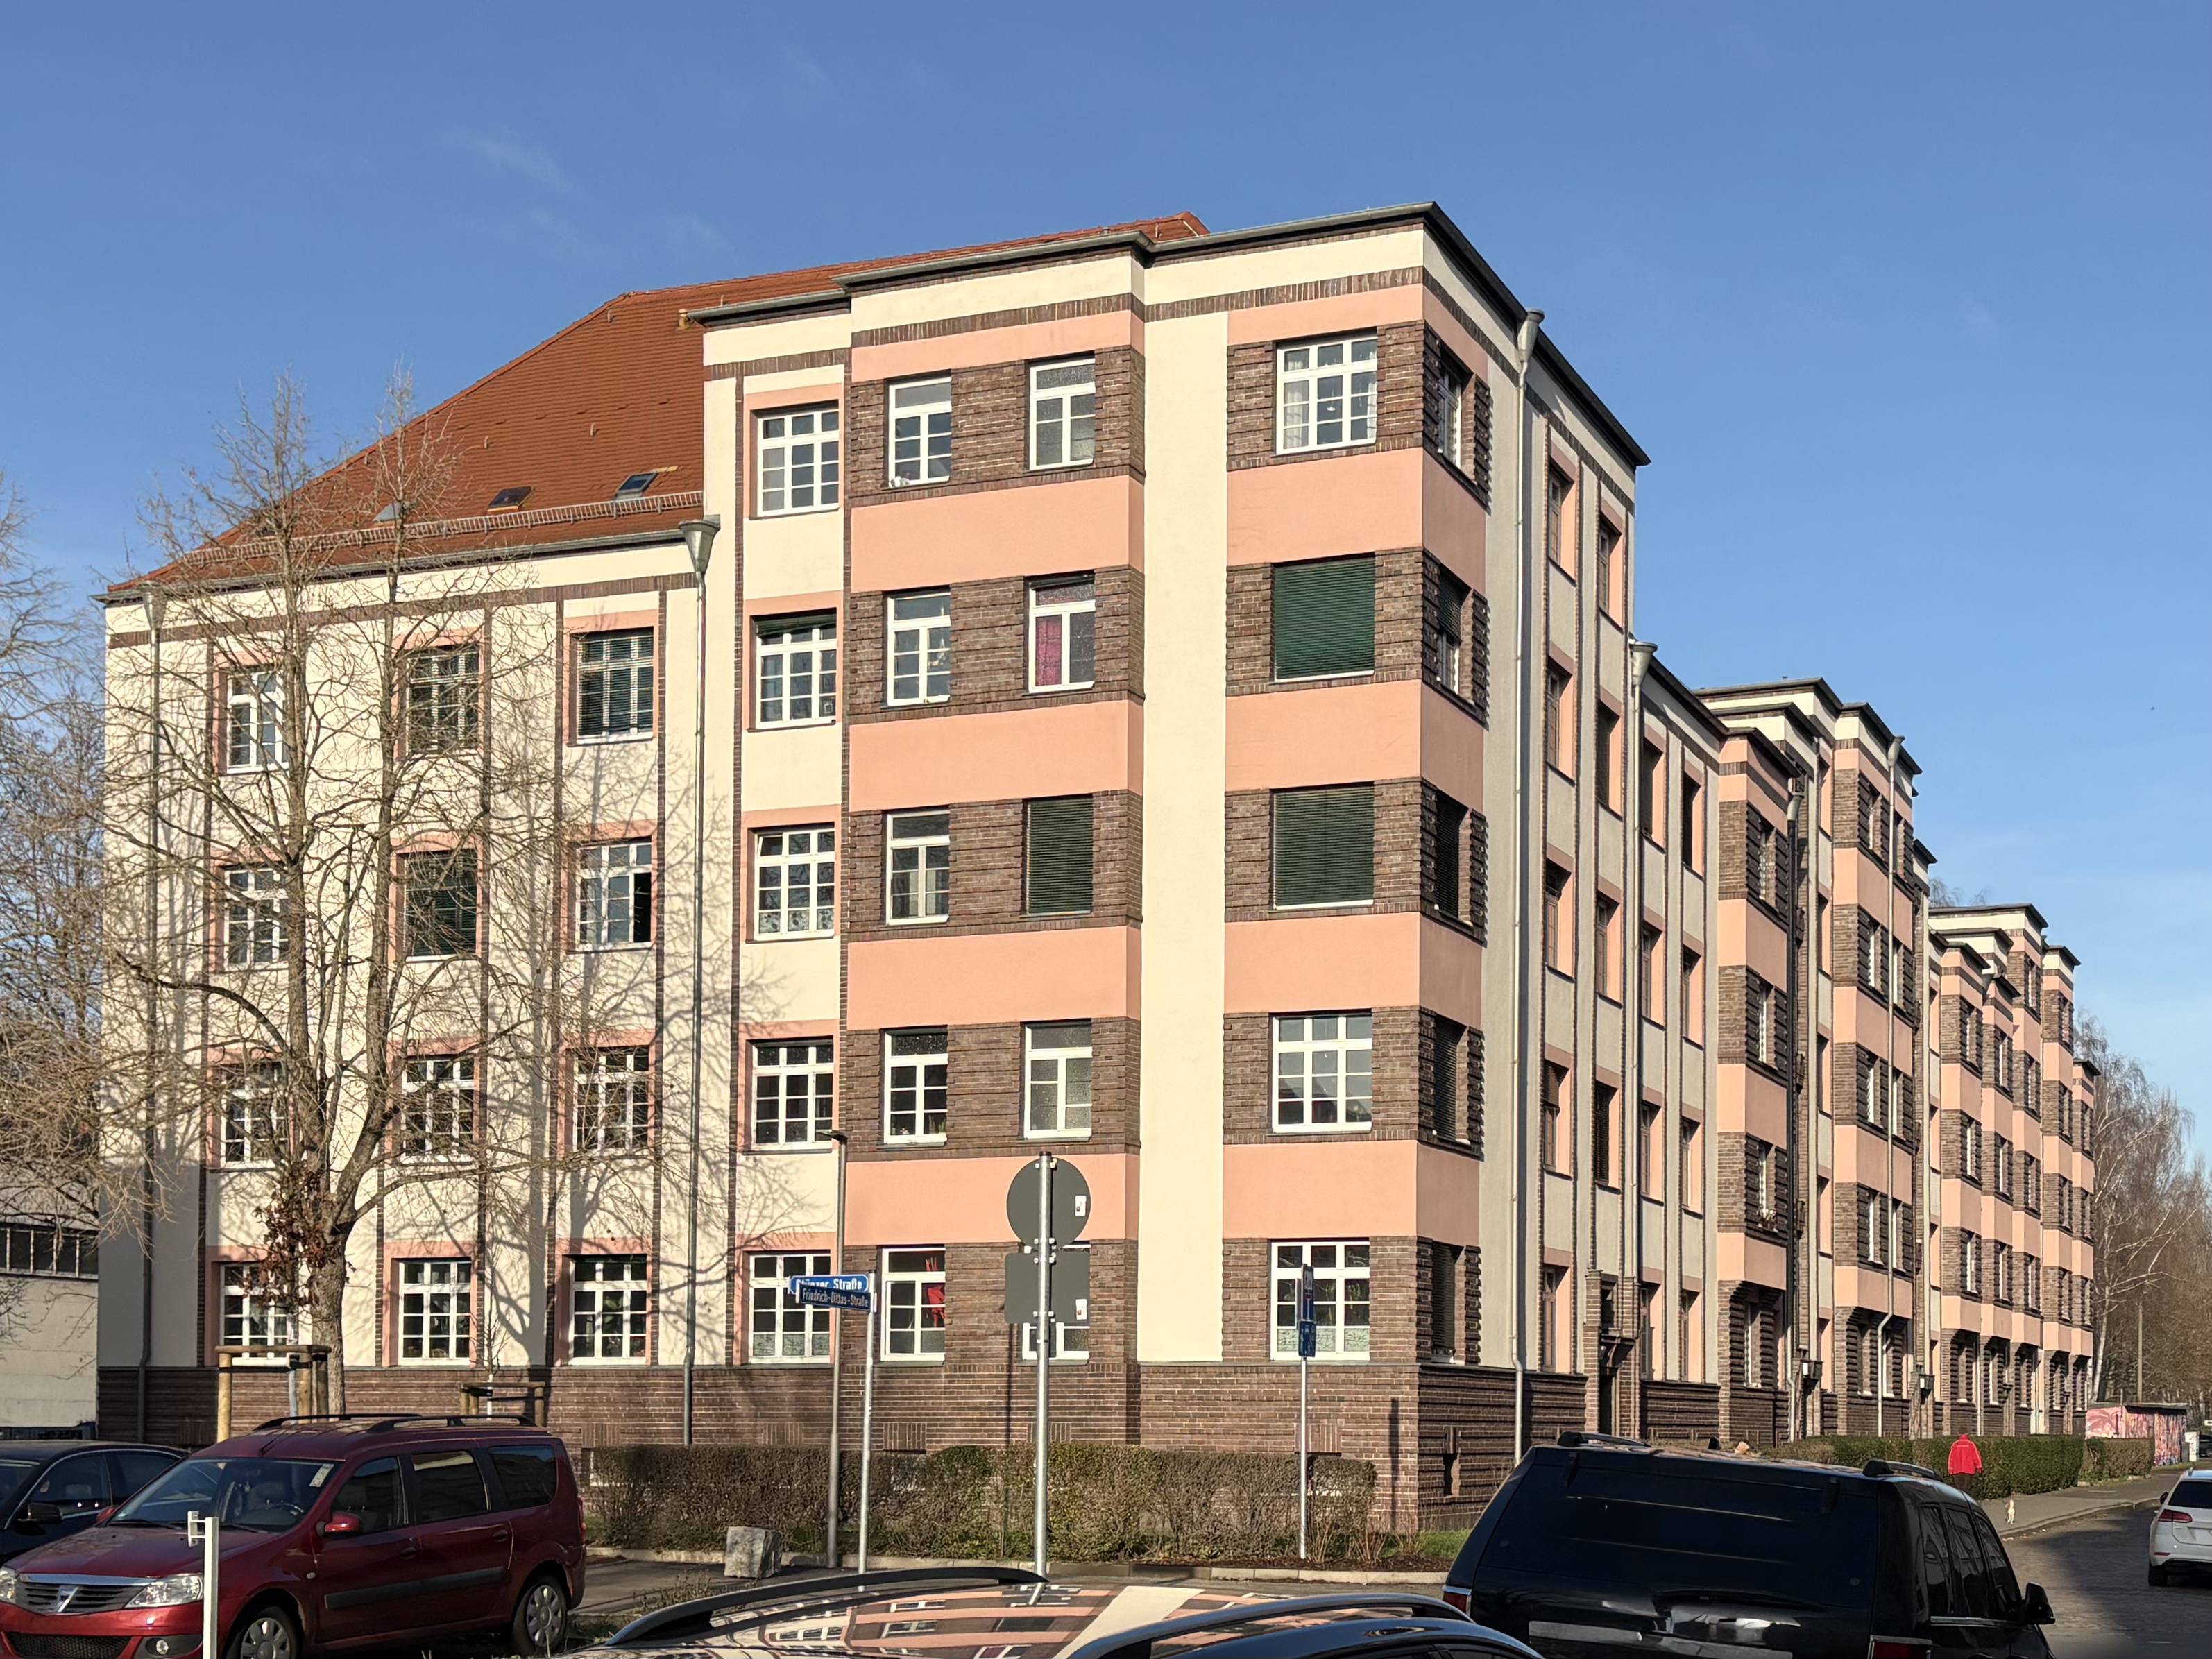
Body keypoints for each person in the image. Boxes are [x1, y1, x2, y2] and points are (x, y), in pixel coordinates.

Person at [1948, 1431, 1984, 1497]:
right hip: (1969, 1470)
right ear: (1967, 1435)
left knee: (1959, 1490)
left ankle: (1960, 1503)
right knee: (1966, 1489)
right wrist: (1979, 1466)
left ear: (1959, 1435)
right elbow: (1976, 1456)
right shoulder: (1971, 1444)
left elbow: (1951, 1457)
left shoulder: (1955, 1444)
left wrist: (1950, 1468)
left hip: (1957, 1470)